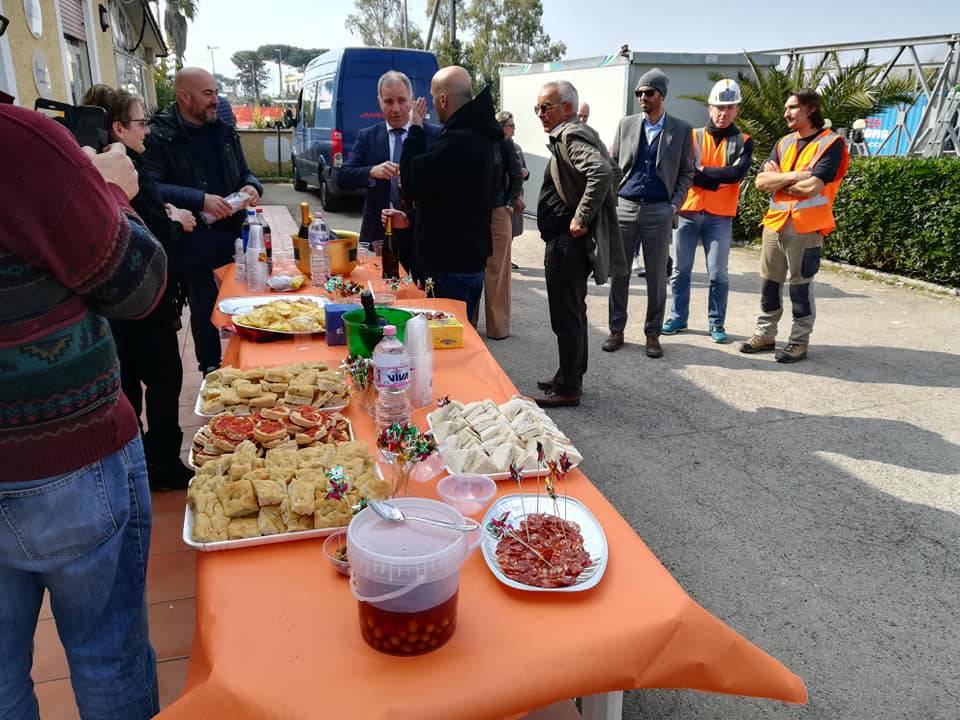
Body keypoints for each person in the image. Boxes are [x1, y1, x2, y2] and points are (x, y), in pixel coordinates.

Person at [0, 104, 167, 719]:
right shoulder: (22, 143)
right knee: (107, 655)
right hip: (62, 463)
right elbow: (139, 284)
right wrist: (109, 191)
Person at [82, 84, 197, 490]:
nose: (146, 130)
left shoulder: (96, 166)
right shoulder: (126, 172)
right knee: (165, 379)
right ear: (118, 128)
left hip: (114, 305)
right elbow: (147, 239)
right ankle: (162, 462)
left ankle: (135, 460)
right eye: (140, 122)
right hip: (144, 303)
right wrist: (176, 221)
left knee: (127, 380)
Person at [142, 67, 263, 375]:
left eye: (215, 92)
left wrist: (251, 186)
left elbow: (244, 171)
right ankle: (211, 369)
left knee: (244, 301)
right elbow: (151, 187)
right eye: (208, 94)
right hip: (192, 238)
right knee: (204, 308)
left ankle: (249, 367)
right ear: (184, 97)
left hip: (234, 235)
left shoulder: (224, 131)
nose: (215, 100)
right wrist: (200, 200)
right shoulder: (159, 136)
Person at [532, 80, 625, 408]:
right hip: (565, 245)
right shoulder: (569, 134)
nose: (540, 114)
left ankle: (569, 387)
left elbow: (602, 172)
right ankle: (568, 375)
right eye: (538, 108)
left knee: (566, 317)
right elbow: (613, 169)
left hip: (567, 246)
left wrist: (581, 217)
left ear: (567, 108)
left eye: (546, 107)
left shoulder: (570, 134)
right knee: (573, 314)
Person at [741, 88, 849, 363]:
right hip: (775, 224)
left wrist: (782, 180)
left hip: (806, 227)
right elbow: (761, 182)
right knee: (769, 285)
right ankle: (765, 334)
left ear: (811, 109)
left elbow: (811, 188)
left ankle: (798, 342)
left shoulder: (831, 144)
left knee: (800, 288)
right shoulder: (784, 143)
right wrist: (797, 175)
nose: (786, 113)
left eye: (792, 107)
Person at [399, 66, 502, 325]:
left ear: (443, 99)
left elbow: (411, 181)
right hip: (470, 258)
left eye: (434, 98)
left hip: (450, 265)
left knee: (448, 339)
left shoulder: (457, 141)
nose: (433, 104)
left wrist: (415, 129)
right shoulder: (483, 135)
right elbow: (453, 197)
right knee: (463, 331)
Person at [603, 68, 694, 358]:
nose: (643, 97)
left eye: (649, 93)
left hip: (659, 210)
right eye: (639, 93)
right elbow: (614, 164)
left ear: (661, 95)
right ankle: (616, 329)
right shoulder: (626, 124)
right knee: (620, 272)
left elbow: (687, 172)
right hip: (626, 206)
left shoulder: (680, 130)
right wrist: (613, 198)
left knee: (656, 276)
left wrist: (673, 206)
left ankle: (652, 334)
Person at [662, 79, 754, 344]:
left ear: (737, 109)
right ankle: (678, 317)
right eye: (718, 107)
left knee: (718, 272)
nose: (723, 113)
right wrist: (714, 177)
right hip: (689, 212)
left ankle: (716, 323)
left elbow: (736, 174)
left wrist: (702, 173)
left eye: (729, 108)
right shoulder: (692, 136)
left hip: (720, 216)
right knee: (681, 269)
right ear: (709, 108)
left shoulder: (744, 141)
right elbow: (686, 173)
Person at [338, 70, 440, 278]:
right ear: (379, 102)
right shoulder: (368, 136)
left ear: (411, 100)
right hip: (380, 233)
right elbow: (343, 176)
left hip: (420, 233)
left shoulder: (433, 135)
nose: (396, 109)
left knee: (423, 296)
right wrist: (371, 172)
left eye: (402, 100)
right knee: (383, 295)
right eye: (389, 101)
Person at [483, 114, 524, 339]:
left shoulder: (505, 143)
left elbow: (516, 175)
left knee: (497, 271)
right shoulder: (475, 141)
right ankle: (467, 324)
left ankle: (498, 328)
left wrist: (509, 204)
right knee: (474, 269)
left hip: (499, 211)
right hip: (475, 214)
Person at [497, 111, 530, 240]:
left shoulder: (517, 147)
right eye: (510, 126)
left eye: (513, 126)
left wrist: (525, 172)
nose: (513, 130)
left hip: (516, 198)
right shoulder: (496, 148)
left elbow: (524, 168)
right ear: (501, 127)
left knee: (512, 234)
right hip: (504, 201)